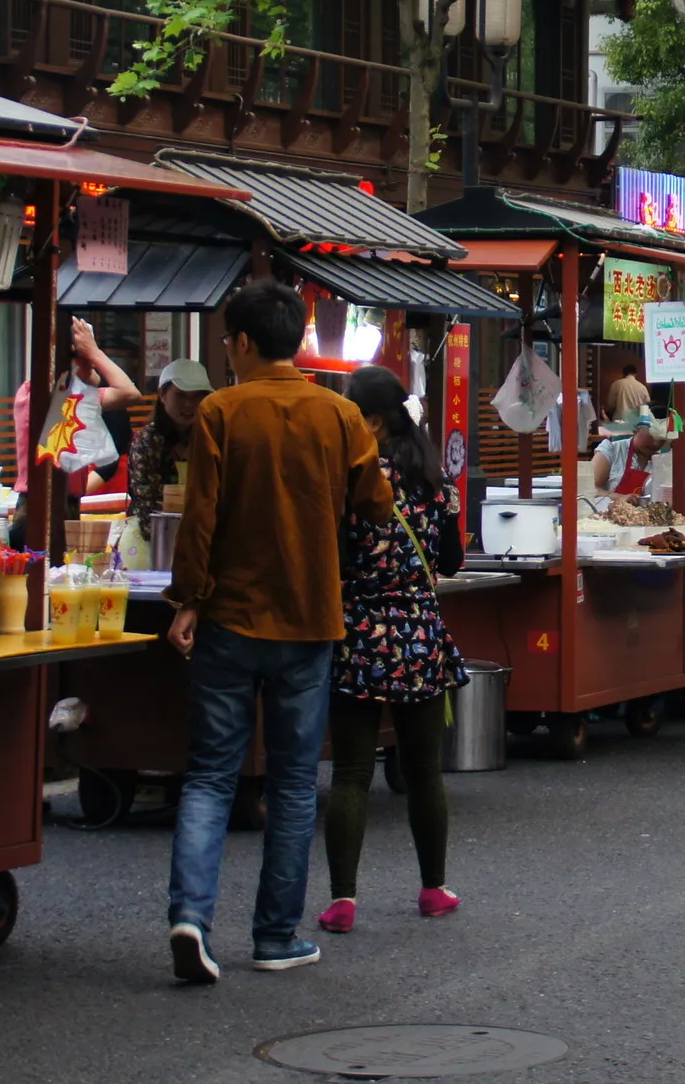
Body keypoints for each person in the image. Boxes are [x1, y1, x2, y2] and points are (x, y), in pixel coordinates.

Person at [165, 280, 395, 983]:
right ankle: (274, 936)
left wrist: (187, 600)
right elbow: (377, 506)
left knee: (209, 775)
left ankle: (191, 918)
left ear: (239, 342)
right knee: (294, 783)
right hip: (309, 617)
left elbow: (200, 517)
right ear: (295, 338)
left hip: (231, 616)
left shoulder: (220, 412)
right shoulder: (339, 414)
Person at [317, 364, 468, 935]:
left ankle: (343, 901)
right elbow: (450, 563)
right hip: (421, 636)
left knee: (353, 772)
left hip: (358, 634)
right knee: (424, 769)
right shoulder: (434, 484)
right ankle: (433, 889)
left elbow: (332, 557)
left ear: (373, 423)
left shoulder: (350, 482)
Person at [10, 316, 140, 498]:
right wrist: (93, 353)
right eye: (87, 358)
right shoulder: (37, 392)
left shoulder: (72, 394)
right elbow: (129, 393)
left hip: (64, 499)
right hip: (39, 502)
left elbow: (130, 393)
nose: (94, 365)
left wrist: (92, 354)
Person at [127, 359, 213, 522]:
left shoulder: (212, 437)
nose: (189, 404)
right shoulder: (147, 441)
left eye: (197, 396)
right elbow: (147, 507)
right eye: (180, 395)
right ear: (162, 395)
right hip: (158, 536)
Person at [591, 415, 668, 495]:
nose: (656, 444)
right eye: (652, 436)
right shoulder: (612, 450)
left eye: (662, 439)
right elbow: (589, 490)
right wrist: (617, 498)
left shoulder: (662, 463)